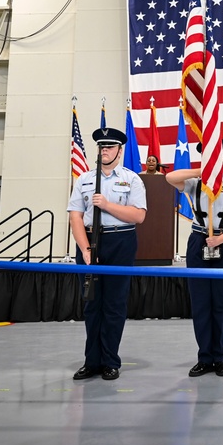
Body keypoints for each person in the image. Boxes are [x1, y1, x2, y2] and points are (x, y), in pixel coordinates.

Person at [67, 127, 147, 381]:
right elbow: (75, 216)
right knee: (92, 304)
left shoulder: (132, 179)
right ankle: (92, 361)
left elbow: (138, 215)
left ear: (120, 151)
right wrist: (85, 248)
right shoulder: (84, 179)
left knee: (114, 305)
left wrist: (108, 205)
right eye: (102, 147)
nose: (105, 151)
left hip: (120, 240)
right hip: (90, 241)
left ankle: (110, 361)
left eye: (110, 147)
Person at [166, 140, 223, 378]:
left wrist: (220, 241)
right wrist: (201, 171)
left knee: (221, 303)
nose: (216, 162)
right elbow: (170, 177)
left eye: (218, 157)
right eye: (209, 157)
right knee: (201, 303)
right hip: (199, 242)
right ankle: (204, 357)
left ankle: (219, 357)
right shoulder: (194, 183)